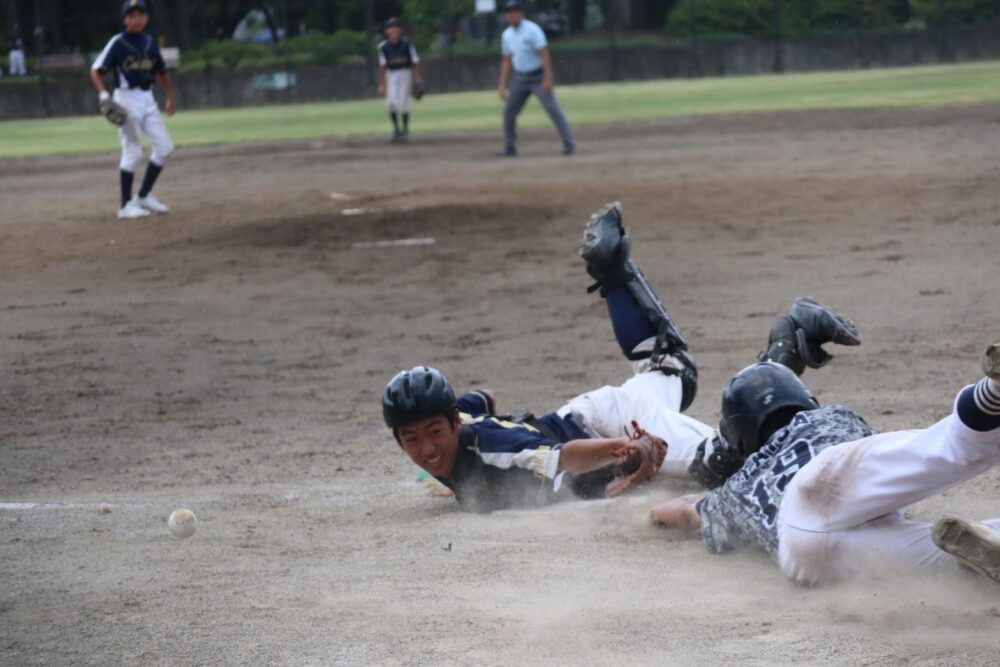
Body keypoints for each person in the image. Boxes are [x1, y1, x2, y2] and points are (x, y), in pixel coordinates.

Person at [381, 202, 860, 513]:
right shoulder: (462, 419)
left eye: (435, 433)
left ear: (453, 424)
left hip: (608, 429)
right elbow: (481, 397)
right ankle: (613, 270)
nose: (427, 449)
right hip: (593, 412)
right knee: (672, 368)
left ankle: (792, 340)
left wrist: (622, 450)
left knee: (722, 464)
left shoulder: (482, 446)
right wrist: (450, 459)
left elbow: (563, 457)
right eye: (413, 439)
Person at [650, 342, 1000, 587]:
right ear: (804, 399)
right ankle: (990, 394)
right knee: (939, 451)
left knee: (942, 560)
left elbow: (684, 510)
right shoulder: (830, 418)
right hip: (823, 480)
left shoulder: (739, 486)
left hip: (802, 552)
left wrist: (649, 514)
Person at [90, 0, 175, 220]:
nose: (137, 18)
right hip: (126, 99)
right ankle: (125, 205)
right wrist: (104, 95)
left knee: (164, 148)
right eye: (132, 14)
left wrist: (169, 98)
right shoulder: (118, 43)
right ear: (125, 19)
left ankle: (144, 195)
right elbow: (96, 70)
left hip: (147, 98)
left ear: (146, 17)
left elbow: (162, 72)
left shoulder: (150, 42)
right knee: (133, 151)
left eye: (141, 14)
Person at [496, 1, 574, 157]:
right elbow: (507, 60)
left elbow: (544, 53)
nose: (511, 14)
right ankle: (510, 147)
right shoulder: (507, 35)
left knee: (553, 110)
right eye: (508, 11)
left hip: (538, 76)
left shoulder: (532, 30)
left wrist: (548, 78)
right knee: (509, 112)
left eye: (515, 11)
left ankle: (568, 144)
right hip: (520, 78)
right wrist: (502, 85)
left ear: (521, 13)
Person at [377, 18, 423, 143]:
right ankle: (396, 131)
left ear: (400, 30)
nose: (393, 29)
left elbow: (415, 63)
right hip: (391, 74)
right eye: (390, 27)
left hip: (405, 73)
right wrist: (382, 85)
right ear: (386, 31)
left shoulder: (407, 45)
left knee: (404, 101)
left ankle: (405, 131)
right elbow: (382, 67)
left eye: (396, 27)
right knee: (391, 102)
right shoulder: (383, 47)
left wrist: (418, 80)